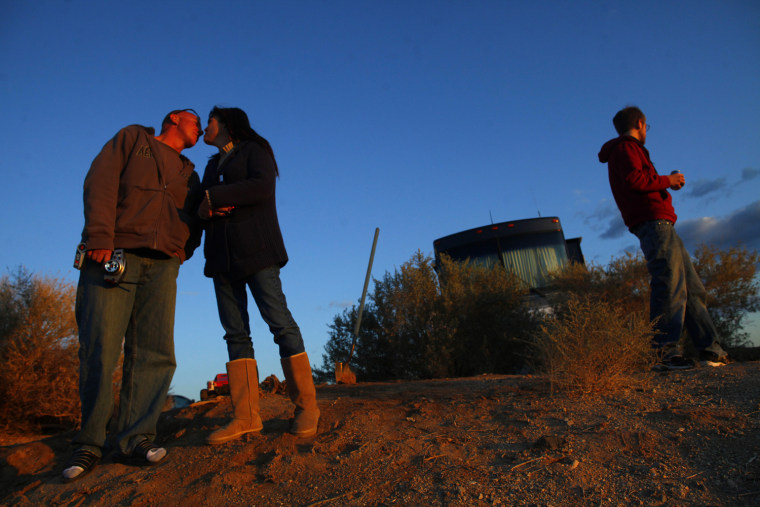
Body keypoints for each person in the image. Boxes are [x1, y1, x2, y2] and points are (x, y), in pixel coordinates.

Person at [63, 109, 204, 482]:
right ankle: (89, 443)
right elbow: (101, 182)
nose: (200, 128)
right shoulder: (132, 140)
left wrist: (182, 250)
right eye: (195, 121)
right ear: (173, 118)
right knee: (100, 349)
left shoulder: (191, 172)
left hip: (162, 267)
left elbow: (195, 217)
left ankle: (136, 437)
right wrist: (98, 236)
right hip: (113, 255)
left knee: (156, 353)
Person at [199, 106, 319, 443]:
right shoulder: (210, 166)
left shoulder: (255, 150)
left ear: (225, 124)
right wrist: (203, 205)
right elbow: (200, 205)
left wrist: (213, 197)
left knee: (279, 323)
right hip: (221, 258)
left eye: (209, 121)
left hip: (257, 251)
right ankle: (246, 416)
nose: (203, 128)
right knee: (235, 334)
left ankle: (307, 407)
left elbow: (261, 188)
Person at [598, 106, 729, 371]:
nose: (647, 131)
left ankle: (711, 351)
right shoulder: (626, 149)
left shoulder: (626, 150)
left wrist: (664, 182)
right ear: (640, 123)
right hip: (653, 222)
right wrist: (667, 180)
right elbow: (636, 180)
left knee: (691, 287)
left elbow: (640, 179)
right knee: (668, 282)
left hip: (661, 223)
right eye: (647, 126)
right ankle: (663, 352)